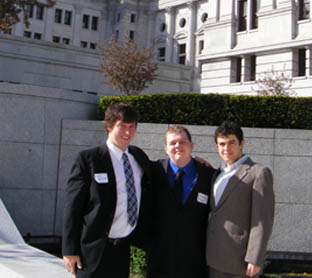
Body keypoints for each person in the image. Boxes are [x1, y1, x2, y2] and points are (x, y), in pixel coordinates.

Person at [62, 102, 151, 278]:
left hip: (122, 250)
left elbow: (159, 172)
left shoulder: (138, 157)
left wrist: (192, 160)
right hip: (92, 251)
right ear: (109, 127)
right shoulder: (89, 159)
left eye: (132, 127)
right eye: (122, 126)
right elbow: (73, 206)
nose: (127, 132)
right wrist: (69, 249)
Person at [206, 121, 275, 278]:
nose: (226, 148)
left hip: (239, 261)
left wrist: (255, 258)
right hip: (213, 257)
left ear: (242, 143)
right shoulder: (217, 174)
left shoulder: (258, 173)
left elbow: (263, 219)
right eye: (222, 144)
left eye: (232, 143)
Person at [147, 125, 214, 278]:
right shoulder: (153, 171)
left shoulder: (209, 175)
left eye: (183, 142)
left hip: (195, 262)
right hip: (159, 261)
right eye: (172, 143)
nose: (177, 146)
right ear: (165, 148)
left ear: (192, 145)